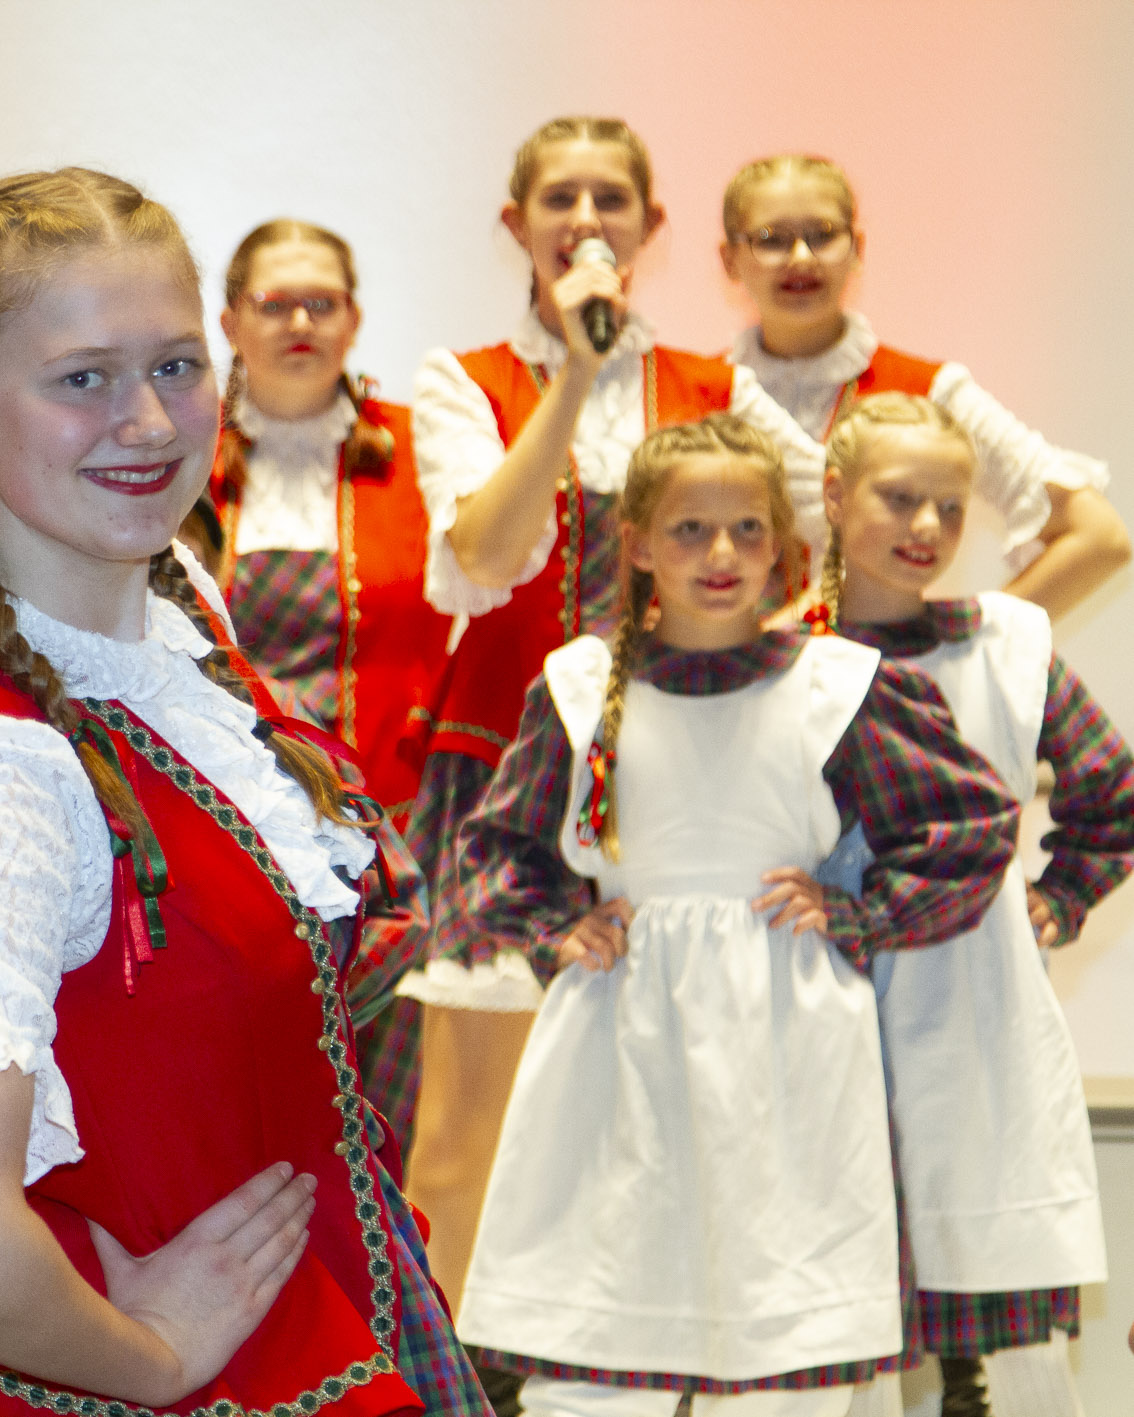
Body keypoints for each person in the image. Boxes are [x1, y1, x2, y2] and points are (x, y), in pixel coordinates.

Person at [0, 167, 487, 1416]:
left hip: (330, 1309)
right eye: (83, 378)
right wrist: (153, 1355)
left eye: (176, 366)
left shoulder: (171, 606)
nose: (149, 421)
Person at [449, 414, 1019, 1416]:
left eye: (747, 528)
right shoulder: (579, 688)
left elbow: (968, 823)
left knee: (782, 1330)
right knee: (599, 1321)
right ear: (636, 543)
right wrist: (555, 927)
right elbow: (496, 844)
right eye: (689, 529)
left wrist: (861, 914)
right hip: (618, 1040)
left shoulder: (837, 686)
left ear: (783, 545)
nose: (721, 552)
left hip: (786, 1039)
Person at [404, 115, 826, 1334]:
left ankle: (646, 1362)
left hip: (679, 788)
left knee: (670, 1104)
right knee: (465, 1131)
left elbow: (827, 515)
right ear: (516, 223)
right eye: (559, 199)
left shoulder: (711, 391)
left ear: (648, 227)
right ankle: (456, 1379)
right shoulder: (462, 381)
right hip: (506, 779)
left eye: (608, 200)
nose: (583, 221)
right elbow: (484, 555)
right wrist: (577, 377)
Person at [814, 394, 1127, 1417]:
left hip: (972, 1010)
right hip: (819, 1001)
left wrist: (1054, 901)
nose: (926, 527)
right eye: (898, 498)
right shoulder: (776, 652)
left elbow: (1111, 793)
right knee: (833, 1308)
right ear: (833, 495)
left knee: (997, 1296)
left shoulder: (1004, 643)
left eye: (949, 507)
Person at [204, 219, 450, 1157]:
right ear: (231, 320)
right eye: (276, 302)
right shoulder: (179, 454)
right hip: (227, 843)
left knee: (384, 1131)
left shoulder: (422, 454)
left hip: (386, 843)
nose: (300, 322)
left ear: (355, 319)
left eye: (323, 302)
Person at [722, 154, 1131, 619]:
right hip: (716, 665)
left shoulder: (927, 392)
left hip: (877, 665)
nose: (801, 258)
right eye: (771, 239)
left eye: (823, 235)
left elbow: (1100, 538)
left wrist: (974, 645)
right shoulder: (698, 389)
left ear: (857, 248)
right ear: (729, 259)